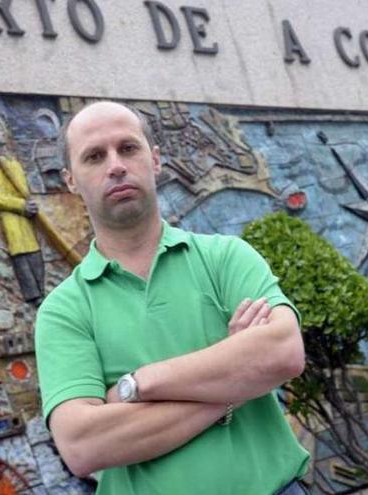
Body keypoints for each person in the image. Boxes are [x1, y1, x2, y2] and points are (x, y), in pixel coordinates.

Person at [35, 101, 309, 494]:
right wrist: (235, 383)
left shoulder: (225, 257)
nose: (115, 165)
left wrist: (138, 385)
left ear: (156, 159)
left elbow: (283, 352)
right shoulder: (64, 310)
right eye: (94, 156)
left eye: (128, 148)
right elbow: (83, 445)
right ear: (71, 180)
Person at [0, 112, 46, 303]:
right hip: (12, 217)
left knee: (35, 253)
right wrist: (20, 206)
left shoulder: (14, 164)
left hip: (26, 217)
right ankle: (32, 295)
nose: (0, 132)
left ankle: (42, 290)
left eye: (1, 128)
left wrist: (31, 204)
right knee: (21, 254)